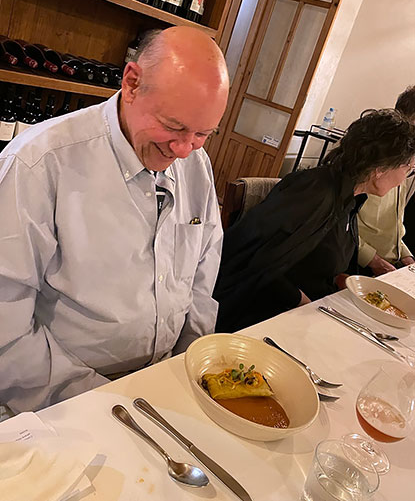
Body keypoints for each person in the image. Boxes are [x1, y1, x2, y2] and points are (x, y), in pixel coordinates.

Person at [0, 26, 229, 413]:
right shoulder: (39, 164)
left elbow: (202, 277)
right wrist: (108, 403)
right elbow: (6, 330)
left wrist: (191, 370)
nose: (184, 149)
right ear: (132, 82)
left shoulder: (196, 164)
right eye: (173, 127)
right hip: (57, 403)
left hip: (163, 389)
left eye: (202, 134)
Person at [214, 110, 415, 333]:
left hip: (305, 309)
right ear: (380, 170)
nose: (402, 181)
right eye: (407, 169)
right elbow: (258, 264)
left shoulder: (350, 198)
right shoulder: (316, 192)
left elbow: (319, 260)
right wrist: (304, 303)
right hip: (261, 316)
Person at [358, 87, 415, 276]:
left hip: (389, 262)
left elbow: (394, 223)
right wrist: (373, 260)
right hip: (357, 262)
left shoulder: (404, 160)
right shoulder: (368, 153)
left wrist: (406, 256)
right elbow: (337, 224)